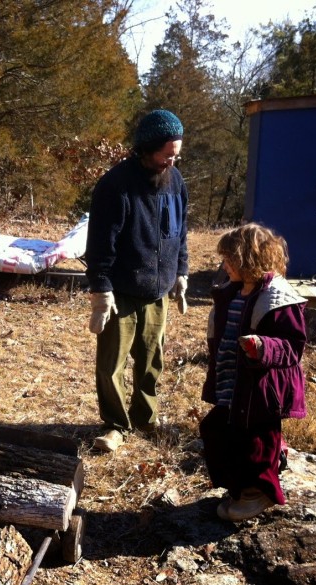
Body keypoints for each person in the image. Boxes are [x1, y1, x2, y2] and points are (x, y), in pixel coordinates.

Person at [85, 109, 190, 453]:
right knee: (111, 364)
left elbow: (181, 233)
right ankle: (115, 424)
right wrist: (101, 289)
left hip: (158, 289)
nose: (172, 160)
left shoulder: (175, 182)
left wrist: (182, 272)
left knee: (151, 360)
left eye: (176, 153)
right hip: (121, 292)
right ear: (146, 148)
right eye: (166, 154)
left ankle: (146, 417)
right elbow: (100, 243)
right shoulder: (115, 186)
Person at [200, 223, 308, 522]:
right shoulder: (232, 292)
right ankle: (239, 487)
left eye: (229, 260)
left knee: (257, 440)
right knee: (219, 430)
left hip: (261, 387)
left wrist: (263, 347)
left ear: (248, 259)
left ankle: (259, 491)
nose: (224, 266)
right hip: (231, 382)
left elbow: (293, 346)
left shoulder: (277, 299)